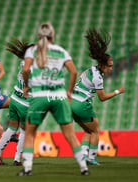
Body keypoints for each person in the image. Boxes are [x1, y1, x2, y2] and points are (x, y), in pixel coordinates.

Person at [17, 22, 89, 176]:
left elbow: (25, 69)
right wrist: (69, 91)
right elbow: (74, 72)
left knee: (30, 133)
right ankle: (84, 167)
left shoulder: (32, 50)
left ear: (38, 35)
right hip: (58, 94)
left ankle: (27, 168)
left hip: (39, 95)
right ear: (53, 35)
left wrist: (26, 85)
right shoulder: (61, 51)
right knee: (70, 134)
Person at [71, 28, 125, 165]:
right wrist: (117, 91)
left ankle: (83, 155)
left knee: (88, 130)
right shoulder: (98, 78)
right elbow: (102, 97)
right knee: (95, 130)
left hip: (72, 102)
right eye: (109, 67)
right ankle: (92, 157)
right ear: (102, 65)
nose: (111, 69)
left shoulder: (90, 70)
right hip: (82, 104)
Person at [0, 38, 33, 166]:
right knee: (24, 131)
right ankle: (17, 159)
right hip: (25, 103)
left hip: (14, 98)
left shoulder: (23, 63)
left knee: (11, 128)